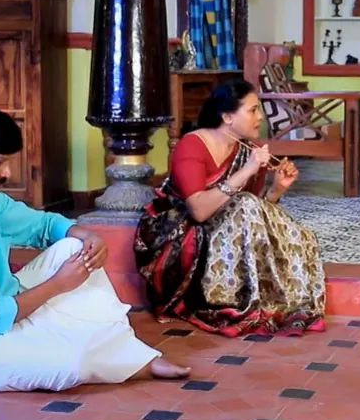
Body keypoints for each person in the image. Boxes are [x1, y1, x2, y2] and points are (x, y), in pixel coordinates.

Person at [0, 106, 190, 392]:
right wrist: (58, 285)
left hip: (3, 308)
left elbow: (41, 224)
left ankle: (131, 354)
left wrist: (84, 233)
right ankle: (127, 361)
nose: (7, 172)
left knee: (75, 248)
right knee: (71, 365)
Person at [134, 78, 326, 337]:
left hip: (225, 233)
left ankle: (290, 304)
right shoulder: (192, 144)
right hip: (180, 234)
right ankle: (230, 302)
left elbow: (252, 217)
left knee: (303, 235)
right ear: (227, 116)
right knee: (245, 203)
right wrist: (247, 170)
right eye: (253, 110)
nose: (260, 117)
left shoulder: (249, 150)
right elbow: (199, 211)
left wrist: (276, 189)